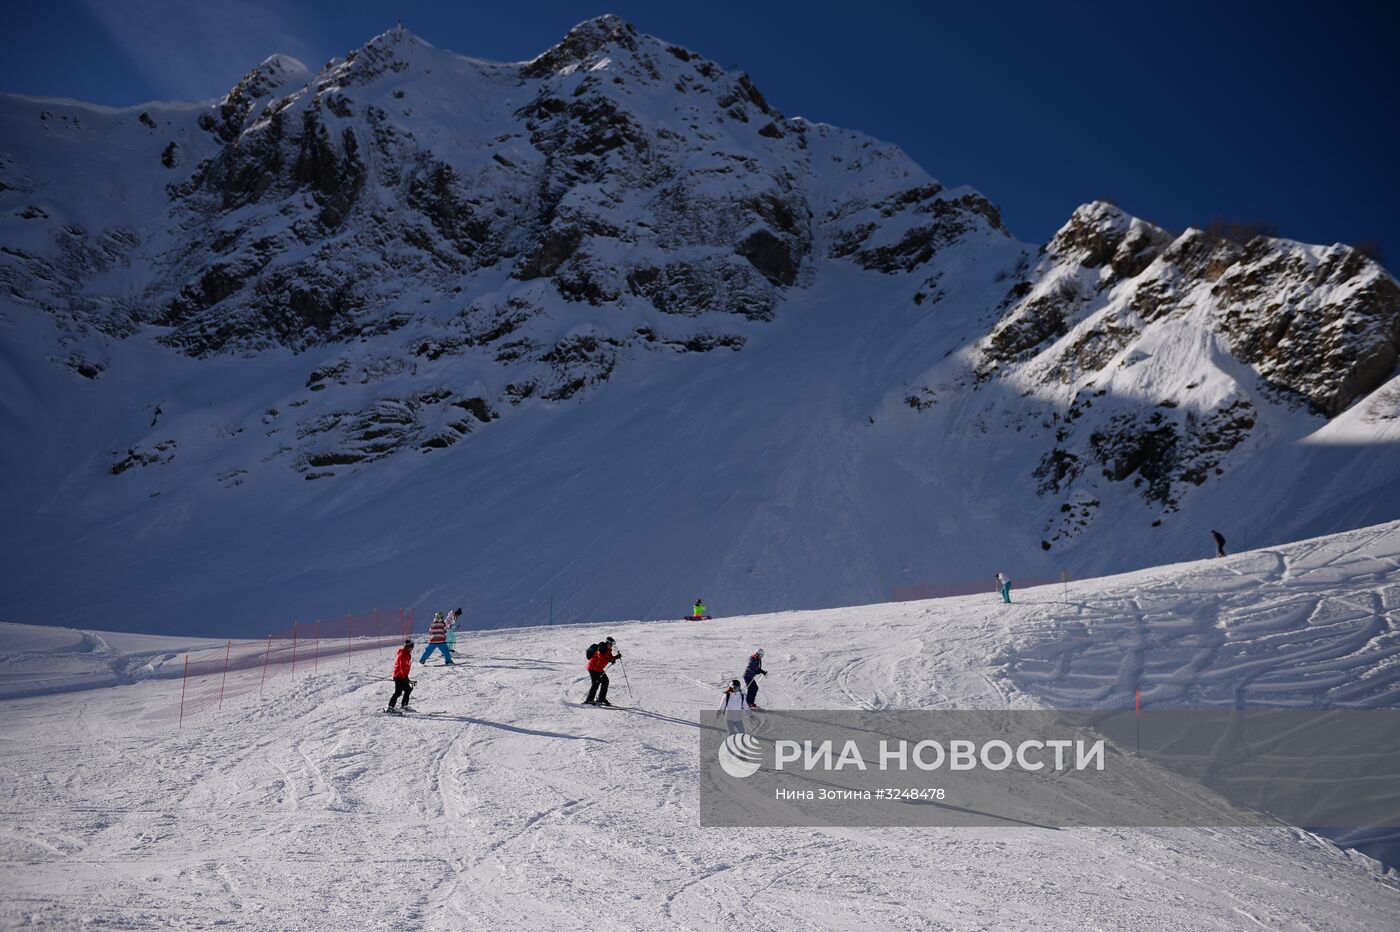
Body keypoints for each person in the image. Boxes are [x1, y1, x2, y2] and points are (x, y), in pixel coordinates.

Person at [584, 636, 621, 706]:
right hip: (593, 667)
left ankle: (601, 698)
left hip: (598, 668)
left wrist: (616, 657)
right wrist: (611, 660)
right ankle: (589, 700)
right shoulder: (601, 648)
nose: (612, 646)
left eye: (612, 645)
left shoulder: (608, 650)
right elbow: (601, 658)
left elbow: (609, 658)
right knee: (595, 683)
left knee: (605, 681)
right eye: (611, 645)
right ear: (608, 643)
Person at [386, 639, 415, 713]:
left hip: (402, 676)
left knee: (408, 690)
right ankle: (390, 707)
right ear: (408, 647)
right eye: (411, 647)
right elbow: (402, 667)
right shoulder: (403, 654)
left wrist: (406, 677)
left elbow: (406, 667)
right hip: (399, 676)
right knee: (398, 692)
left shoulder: (407, 654)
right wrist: (405, 677)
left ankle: (404, 705)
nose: (412, 649)